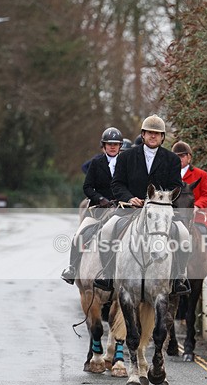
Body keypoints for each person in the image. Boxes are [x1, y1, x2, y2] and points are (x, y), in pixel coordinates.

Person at [93, 114, 191, 294]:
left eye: (157, 133)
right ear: (143, 135)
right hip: (131, 209)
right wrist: (130, 198)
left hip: (160, 211)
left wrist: (160, 199)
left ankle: (179, 278)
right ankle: (107, 275)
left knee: (183, 234)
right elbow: (117, 184)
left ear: (162, 137)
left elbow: (176, 186)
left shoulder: (172, 159)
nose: (153, 136)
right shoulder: (126, 157)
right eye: (149, 132)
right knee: (106, 230)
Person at [61, 126, 123, 284]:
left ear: (120, 146)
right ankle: (72, 268)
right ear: (104, 146)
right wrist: (100, 198)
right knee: (80, 235)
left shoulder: (127, 163)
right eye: (109, 144)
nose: (112, 147)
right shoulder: (96, 163)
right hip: (99, 210)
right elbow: (87, 187)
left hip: (122, 210)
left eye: (115, 144)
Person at [172, 140, 207, 281]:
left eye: (182, 156)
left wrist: (197, 206)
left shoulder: (201, 174)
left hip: (197, 216)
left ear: (189, 157)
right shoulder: (169, 175)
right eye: (176, 156)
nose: (179, 159)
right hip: (175, 216)